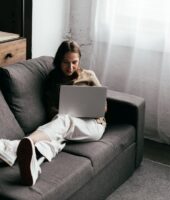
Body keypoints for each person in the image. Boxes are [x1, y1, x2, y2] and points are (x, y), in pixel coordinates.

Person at [0, 40, 107, 186]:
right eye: (65, 62)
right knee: (55, 139)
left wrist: (84, 110)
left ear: (79, 60)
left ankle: (20, 144)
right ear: (58, 61)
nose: (70, 67)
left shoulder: (89, 75)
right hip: (64, 124)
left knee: (63, 121)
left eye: (74, 62)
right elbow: (51, 110)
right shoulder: (53, 80)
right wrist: (68, 111)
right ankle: (33, 167)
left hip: (93, 124)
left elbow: (104, 107)